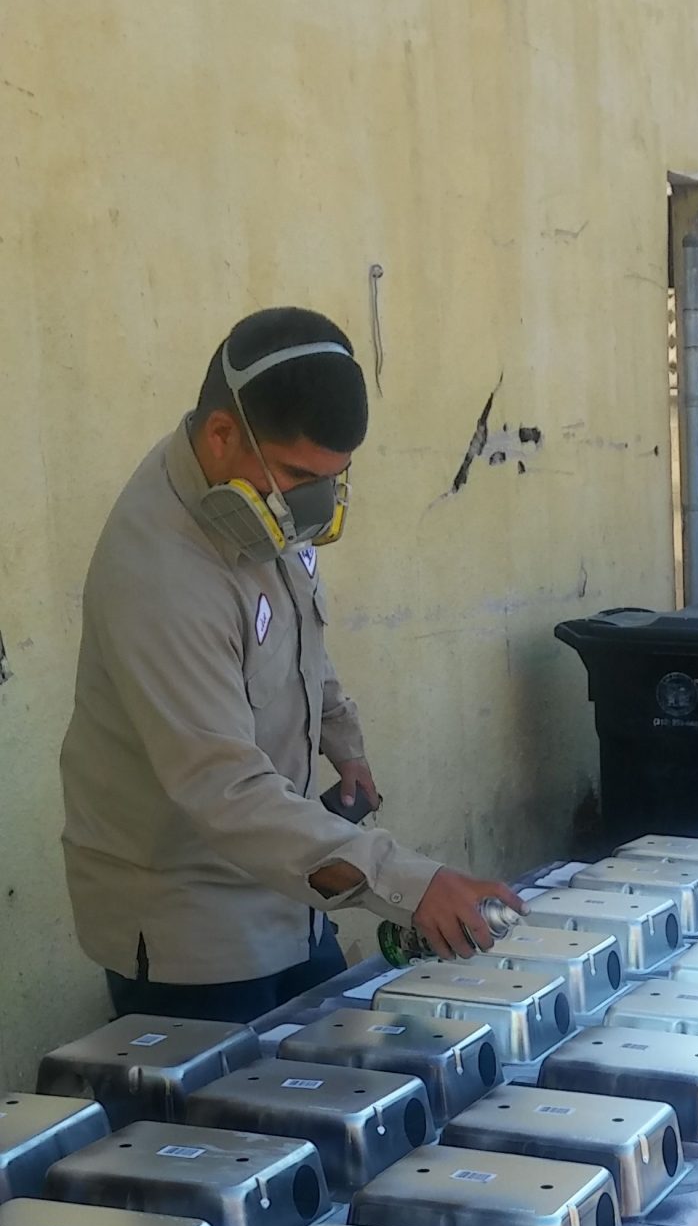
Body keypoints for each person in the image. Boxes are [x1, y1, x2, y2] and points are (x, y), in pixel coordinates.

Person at [61, 306, 522, 1021]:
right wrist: (409, 883)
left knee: (341, 1058)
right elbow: (226, 791)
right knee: (251, 1097)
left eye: (333, 478)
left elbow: (299, 631)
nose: (315, 502)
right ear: (222, 434)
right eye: (300, 474)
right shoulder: (160, 574)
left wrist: (343, 741)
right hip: (195, 932)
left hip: (292, 887)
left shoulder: (253, 496)